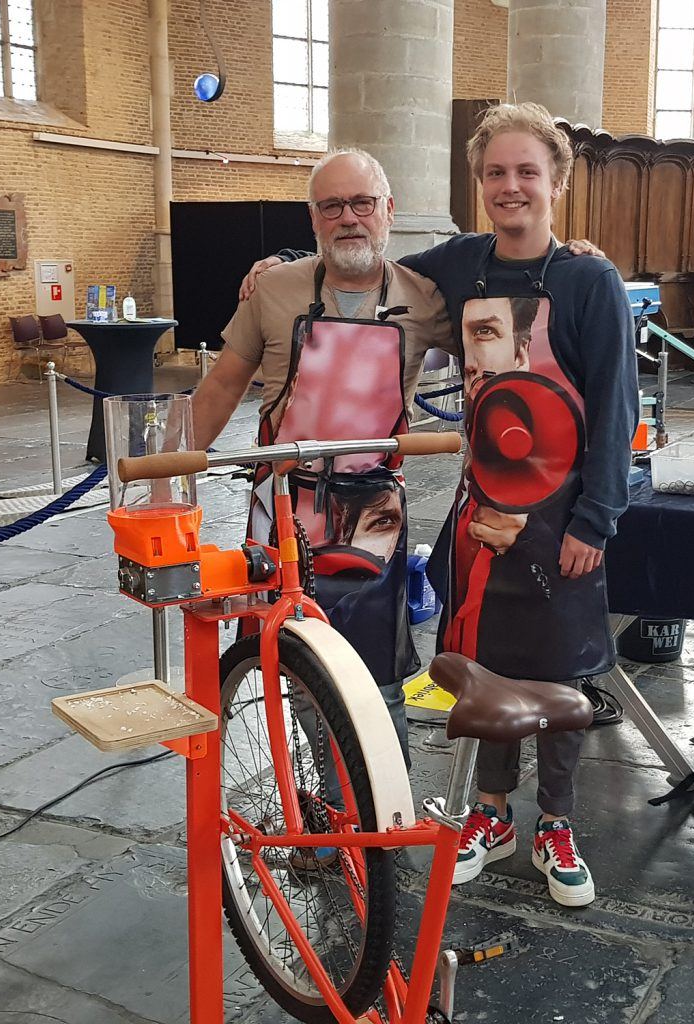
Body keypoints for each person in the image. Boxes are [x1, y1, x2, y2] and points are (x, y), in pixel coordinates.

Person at [396, 103, 638, 909]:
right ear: (479, 183)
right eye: (496, 173)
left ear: (556, 183)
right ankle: (493, 814)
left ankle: (557, 821)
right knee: (486, 664)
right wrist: (289, 261)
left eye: (526, 172)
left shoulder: (588, 278)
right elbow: (370, 269)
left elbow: (612, 406)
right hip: (482, 514)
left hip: (564, 513)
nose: (510, 186)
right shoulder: (462, 264)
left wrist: (594, 520)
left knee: (561, 670)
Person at [192, 149, 455, 767]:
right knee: (294, 658)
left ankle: (382, 808)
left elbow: (497, 336)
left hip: (375, 516)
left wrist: (570, 258)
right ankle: (329, 803)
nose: (349, 218)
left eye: (362, 203)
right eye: (332, 206)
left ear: (387, 211)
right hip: (284, 506)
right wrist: (174, 479)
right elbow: (223, 386)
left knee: (379, 674)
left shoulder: (426, 300)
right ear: (313, 219)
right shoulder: (275, 291)